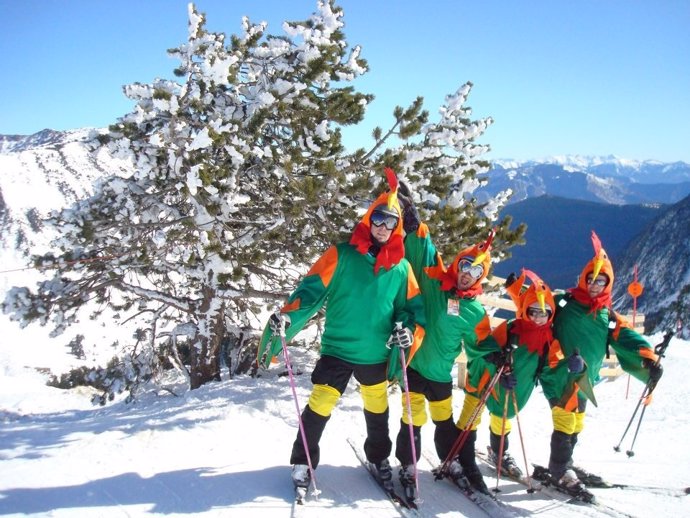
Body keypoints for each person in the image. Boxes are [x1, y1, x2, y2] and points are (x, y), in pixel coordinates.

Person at [256, 168, 426, 491]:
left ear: (397, 227)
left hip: (376, 353)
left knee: (378, 410)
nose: (382, 227)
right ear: (368, 219)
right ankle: (303, 461)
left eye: (390, 221)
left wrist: (406, 330)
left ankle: (378, 457)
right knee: (320, 404)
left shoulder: (402, 268)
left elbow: (411, 310)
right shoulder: (342, 255)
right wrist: (289, 318)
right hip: (338, 349)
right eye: (378, 218)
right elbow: (309, 291)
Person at [538, 230, 663, 497]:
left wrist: (648, 359)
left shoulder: (606, 314)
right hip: (559, 373)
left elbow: (625, 335)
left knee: (578, 421)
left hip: (585, 378)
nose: (594, 284)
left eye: (600, 281)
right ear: (583, 278)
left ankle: (566, 461)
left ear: (607, 284)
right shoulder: (564, 301)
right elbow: (539, 309)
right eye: (591, 278)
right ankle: (559, 468)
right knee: (564, 419)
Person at [390, 185, 495, 497]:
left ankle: (450, 461)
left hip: (439, 374)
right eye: (465, 265)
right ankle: (408, 465)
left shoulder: (475, 312)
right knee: (412, 420)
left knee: (443, 421)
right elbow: (425, 251)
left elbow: (481, 347)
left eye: (476, 270)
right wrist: (413, 223)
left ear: (481, 276)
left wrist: (497, 357)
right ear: (458, 263)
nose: (467, 273)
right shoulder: (436, 279)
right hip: (414, 366)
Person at [470, 269, 564, 479]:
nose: (538, 318)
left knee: (510, 413)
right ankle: (499, 452)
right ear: (525, 311)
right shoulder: (512, 329)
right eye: (533, 312)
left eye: (544, 313)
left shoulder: (549, 337)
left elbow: (551, 365)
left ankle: (498, 449)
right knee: (500, 414)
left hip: (525, 383)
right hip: (501, 380)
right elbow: (487, 350)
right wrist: (500, 370)